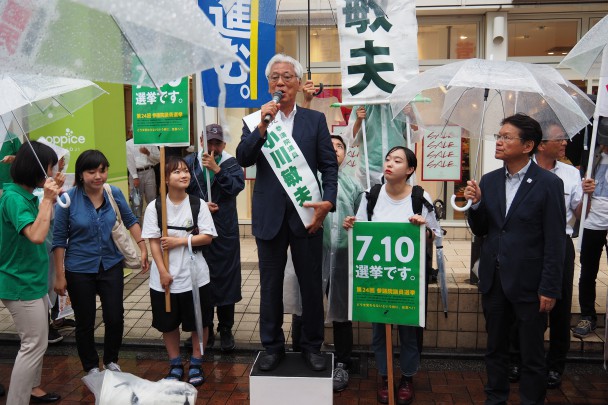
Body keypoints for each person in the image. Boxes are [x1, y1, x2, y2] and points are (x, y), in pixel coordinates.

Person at [236, 53, 338, 372]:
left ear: (297, 82)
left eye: (287, 77)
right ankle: (272, 345)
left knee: (310, 285)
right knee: (269, 285)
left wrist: (328, 202)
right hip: (269, 217)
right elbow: (243, 158)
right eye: (274, 78)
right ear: (269, 85)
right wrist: (262, 128)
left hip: (308, 215)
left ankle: (311, 345)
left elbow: (329, 167)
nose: (280, 82)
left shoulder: (314, 121)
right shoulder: (255, 121)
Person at [464, 114, 566, 404]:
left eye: (507, 137)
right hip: (495, 280)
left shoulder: (548, 183)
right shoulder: (490, 180)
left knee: (532, 353)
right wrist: (477, 203)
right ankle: (494, 398)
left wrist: (549, 287)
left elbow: (555, 239)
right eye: (499, 135)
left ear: (528, 145)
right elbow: (482, 229)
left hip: (530, 284)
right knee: (495, 350)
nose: (499, 141)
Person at [343, 146, 440, 405]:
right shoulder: (371, 195)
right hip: (378, 277)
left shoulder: (420, 196)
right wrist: (351, 225)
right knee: (379, 331)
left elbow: (435, 234)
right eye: (387, 159)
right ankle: (386, 377)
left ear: (409, 170)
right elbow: (360, 229)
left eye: (398, 161)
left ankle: (407, 378)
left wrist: (424, 228)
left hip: (408, 278)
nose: (390, 164)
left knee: (409, 330)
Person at [53, 150, 149, 375]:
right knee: (85, 321)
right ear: (80, 174)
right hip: (79, 268)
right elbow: (59, 240)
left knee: (114, 316)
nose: (98, 176)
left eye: (102, 170)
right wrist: (60, 275)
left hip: (110, 265)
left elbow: (130, 219)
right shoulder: (67, 199)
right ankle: (90, 366)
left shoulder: (113, 193)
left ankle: (111, 360)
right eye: (91, 171)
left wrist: (143, 246)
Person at [142, 156, 217, 386]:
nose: (183, 175)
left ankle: (196, 361)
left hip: (195, 277)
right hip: (164, 278)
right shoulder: (155, 207)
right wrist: (163, 272)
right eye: (176, 172)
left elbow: (208, 236)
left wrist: (181, 242)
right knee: (168, 322)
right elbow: (153, 241)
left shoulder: (198, 204)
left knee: (199, 321)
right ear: (166, 178)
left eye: (185, 171)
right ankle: (175, 363)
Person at [0, 141, 61, 404]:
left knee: (37, 342)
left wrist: (48, 198)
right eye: (48, 168)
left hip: (31, 280)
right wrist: (47, 199)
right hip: (20, 282)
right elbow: (36, 235)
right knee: (33, 345)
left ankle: (33, 389)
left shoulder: (24, 194)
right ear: (35, 169)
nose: (50, 174)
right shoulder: (14, 198)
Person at [185, 124, 244, 352]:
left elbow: (235, 187)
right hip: (198, 230)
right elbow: (181, 191)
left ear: (224, 145)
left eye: (217, 143)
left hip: (224, 230)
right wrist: (199, 206)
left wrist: (217, 170)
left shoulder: (230, 163)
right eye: (209, 142)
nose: (212, 147)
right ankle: (205, 327)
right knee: (201, 279)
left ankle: (226, 328)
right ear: (201, 140)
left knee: (226, 278)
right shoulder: (189, 163)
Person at [33, 139, 76, 345]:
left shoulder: (49, 189)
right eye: (53, 164)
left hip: (52, 247)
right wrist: (51, 197)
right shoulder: (32, 194)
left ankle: (56, 319)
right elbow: (40, 227)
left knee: (53, 286)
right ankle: (46, 327)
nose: (57, 166)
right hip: (42, 250)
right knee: (46, 286)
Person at [574, 116, 608, 339]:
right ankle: (588, 315)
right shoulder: (592, 153)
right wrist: (583, 184)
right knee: (588, 269)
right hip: (593, 218)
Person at [349, 104, 420, 187]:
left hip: (399, 170)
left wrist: (411, 116)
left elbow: (415, 136)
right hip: (369, 170)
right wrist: (359, 120)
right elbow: (352, 140)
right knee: (367, 199)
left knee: (402, 198)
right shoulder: (361, 103)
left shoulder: (404, 102)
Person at [126, 126, 160, 209]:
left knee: (152, 199)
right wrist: (135, 177)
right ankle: (137, 221)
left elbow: (159, 158)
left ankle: (153, 220)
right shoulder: (128, 144)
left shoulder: (150, 142)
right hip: (136, 173)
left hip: (149, 171)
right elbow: (129, 161)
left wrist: (148, 153)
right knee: (136, 201)